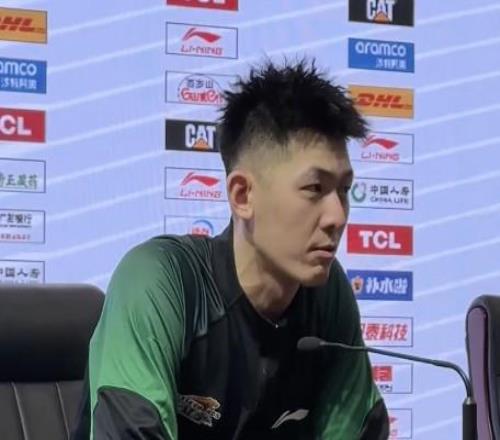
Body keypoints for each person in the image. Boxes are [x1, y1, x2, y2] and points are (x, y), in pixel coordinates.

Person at [79, 59, 389, 439]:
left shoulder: (328, 294)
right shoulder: (159, 281)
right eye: (314, 189)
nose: (337, 216)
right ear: (243, 196)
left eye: (344, 190)